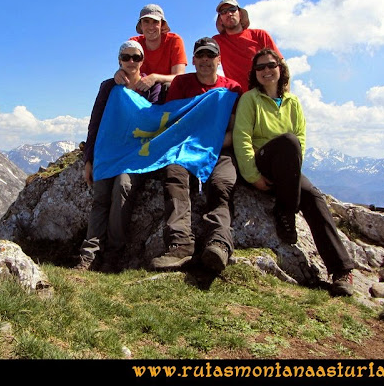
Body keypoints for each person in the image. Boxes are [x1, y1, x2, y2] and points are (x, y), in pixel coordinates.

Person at [232, 48, 355, 296]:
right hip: (261, 162)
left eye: (271, 65)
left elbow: (302, 138)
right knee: (288, 141)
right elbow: (242, 137)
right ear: (254, 74)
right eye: (260, 67)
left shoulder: (293, 102)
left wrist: (293, 174)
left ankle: (341, 271)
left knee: (314, 198)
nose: (266, 71)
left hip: (286, 168)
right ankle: (286, 211)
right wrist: (253, 176)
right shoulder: (250, 99)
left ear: (280, 69)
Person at [150, 37, 242, 273]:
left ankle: (219, 244)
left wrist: (209, 143)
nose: (205, 60)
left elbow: (235, 131)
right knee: (175, 176)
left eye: (210, 56)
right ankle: (180, 245)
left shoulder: (231, 89)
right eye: (200, 56)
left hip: (220, 149)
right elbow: (173, 120)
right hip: (186, 149)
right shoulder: (181, 84)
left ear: (218, 60)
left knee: (222, 184)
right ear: (193, 60)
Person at [75, 40, 162, 273]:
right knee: (101, 195)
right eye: (126, 57)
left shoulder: (153, 88)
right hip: (108, 152)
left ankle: (113, 254)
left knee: (122, 188)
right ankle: (89, 255)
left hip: (135, 155)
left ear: (142, 61)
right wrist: (88, 160)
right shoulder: (108, 87)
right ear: (119, 60)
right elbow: (96, 123)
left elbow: (154, 120)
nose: (131, 62)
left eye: (136, 57)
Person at [115, 4, 187, 100]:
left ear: (162, 25)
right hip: (140, 92)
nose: (151, 27)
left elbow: (179, 77)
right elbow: (127, 68)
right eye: (146, 22)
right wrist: (119, 73)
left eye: (155, 22)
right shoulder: (134, 43)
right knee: (107, 86)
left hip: (165, 94)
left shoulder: (174, 40)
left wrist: (154, 78)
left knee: (167, 86)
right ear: (140, 25)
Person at [213, 0, 282, 92]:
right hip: (238, 99)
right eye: (223, 12)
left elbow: (281, 65)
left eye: (232, 9)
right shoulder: (216, 41)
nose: (229, 14)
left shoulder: (260, 35)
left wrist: (284, 95)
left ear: (240, 14)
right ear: (220, 20)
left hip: (266, 95)